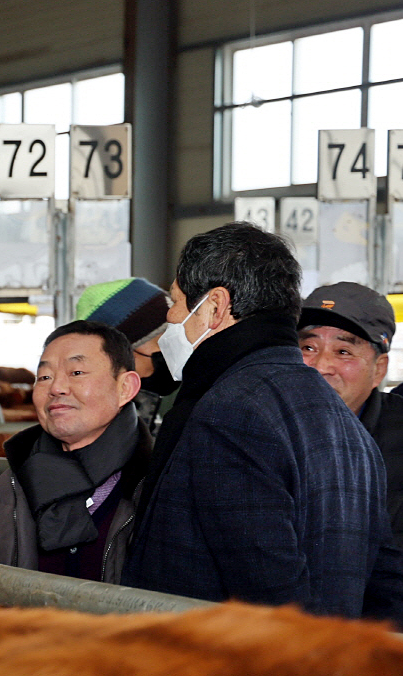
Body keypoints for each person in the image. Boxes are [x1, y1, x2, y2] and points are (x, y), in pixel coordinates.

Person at [122, 221, 403, 620]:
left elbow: (268, 595)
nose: (170, 315)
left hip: (226, 668)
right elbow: (384, 575)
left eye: (177, 300)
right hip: (332, 660)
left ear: (215, 307)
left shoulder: (231, 411)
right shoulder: (343, 421)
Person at [0, 320, 151, 583]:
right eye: (44, 377)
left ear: (125, 388)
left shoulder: (155, 485)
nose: (55, 388)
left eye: (76, 373)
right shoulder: (10, 488)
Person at [298, 282, 403, 545]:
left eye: (343, 352)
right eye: (308, 348)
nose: (321, 366)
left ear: (379, 370)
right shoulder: (261, 428)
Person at [75, 277, 174, 433]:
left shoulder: (143, 413)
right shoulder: (94, 432)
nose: (175, 351)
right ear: (123, 354)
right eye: (163, 343)